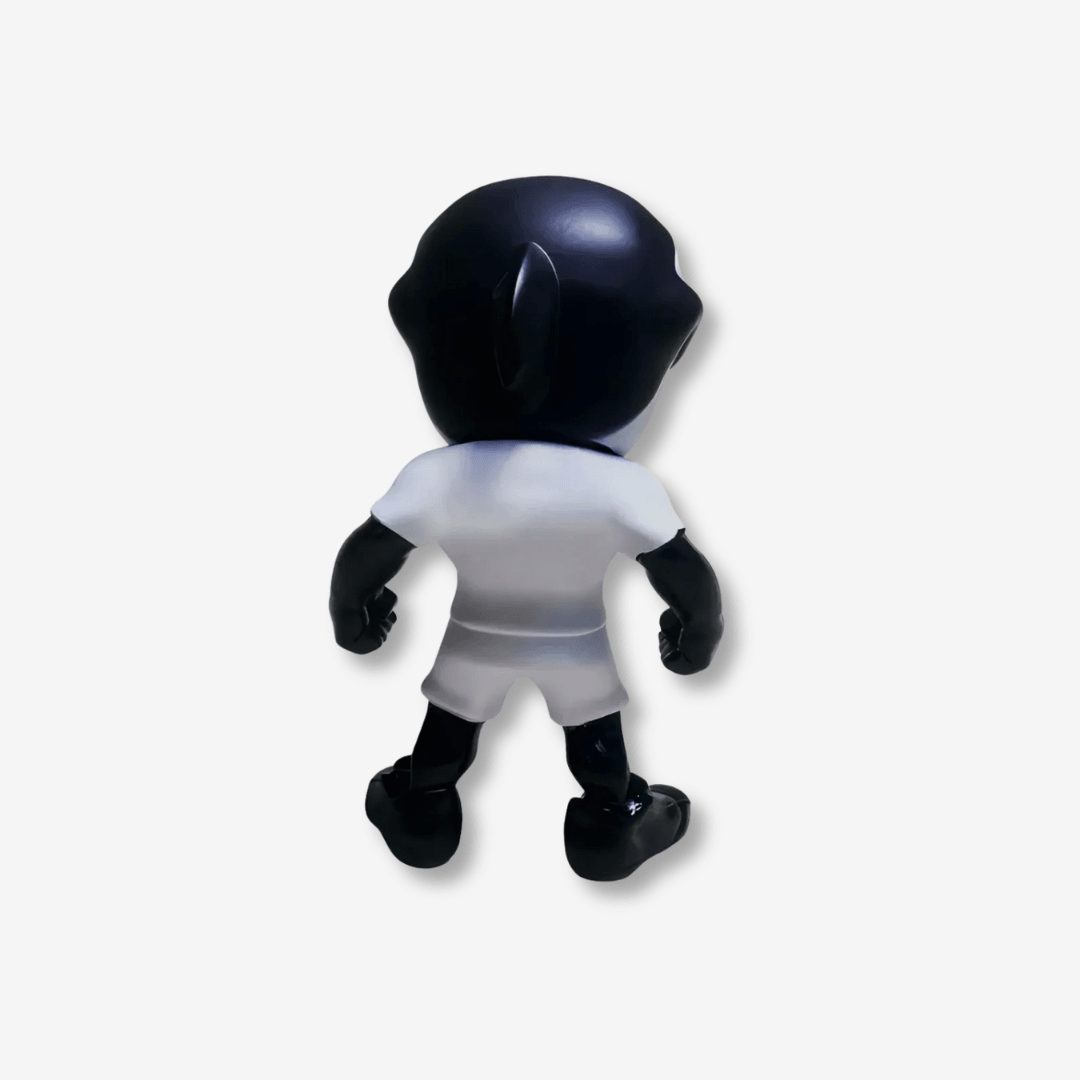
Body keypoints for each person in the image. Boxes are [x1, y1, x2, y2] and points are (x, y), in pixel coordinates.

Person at [330, 176, 723, 880]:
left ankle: (422, 809)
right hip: (578, 646)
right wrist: (696, 632)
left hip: (472, 639)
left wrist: (354, 616)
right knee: (594, 737)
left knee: (449, 728)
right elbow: (683, 573)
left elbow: (367, 554)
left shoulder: (437, 477)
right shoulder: (623, 488)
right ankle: (612, 822)